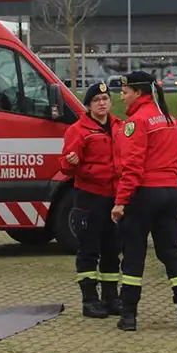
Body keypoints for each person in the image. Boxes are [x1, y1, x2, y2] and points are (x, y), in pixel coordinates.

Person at [111, 70, 177, 332]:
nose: (121, 97)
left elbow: (132, 166)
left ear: (138, 93)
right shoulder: (169, 120)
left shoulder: (136, 122)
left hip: (144, 194)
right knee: (172, 253)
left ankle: (128, 316)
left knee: (134, 255)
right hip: (171, 192)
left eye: (125, 92)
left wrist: (120, 201)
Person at [61, 82, 123, 319]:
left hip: (114, 197)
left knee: (112, 248)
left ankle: (111, 296)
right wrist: (71, 162)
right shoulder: (79, 130)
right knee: (89, 249)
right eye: (96, 100)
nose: (101, 103)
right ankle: (89, 300)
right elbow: (65, 166)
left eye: (105, 98)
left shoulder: (119, 127)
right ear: (88, 105)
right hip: (89, 197)